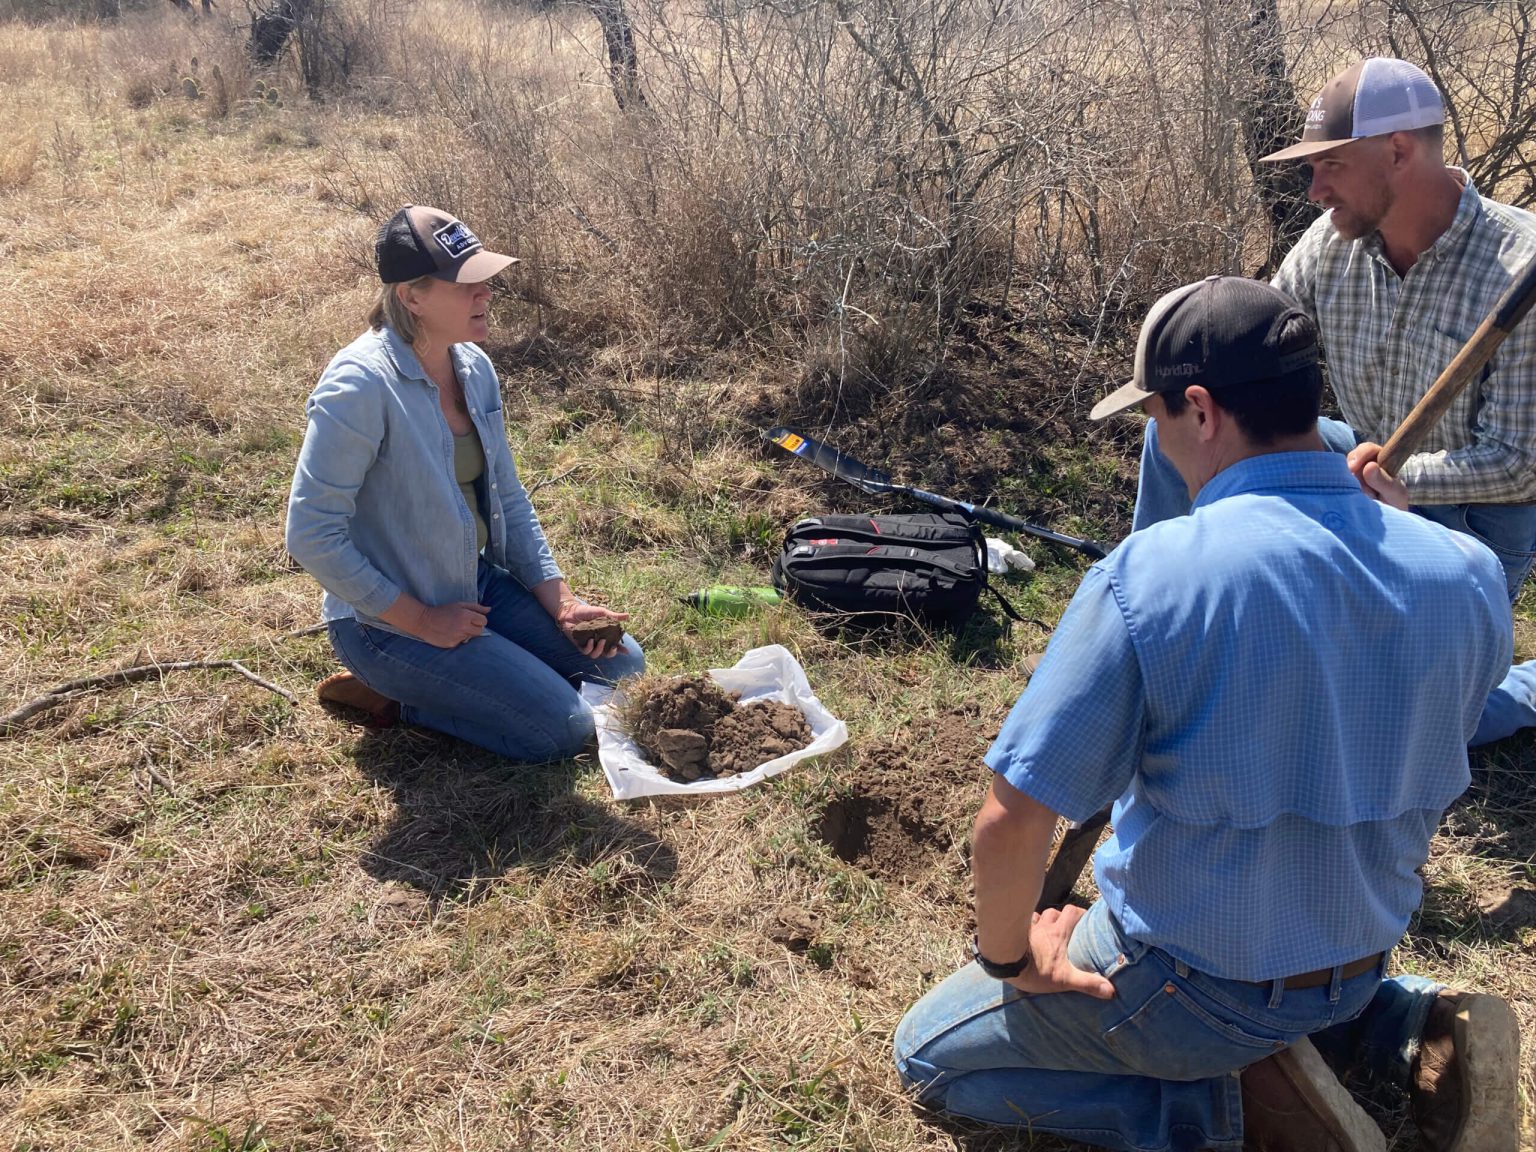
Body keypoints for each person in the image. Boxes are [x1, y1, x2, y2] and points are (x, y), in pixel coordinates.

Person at [892, 277, 1520, 1152]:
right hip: (1358, 952)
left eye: (1153, 416)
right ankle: (1396, 1024)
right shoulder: (1467, 572)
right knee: (1310, 962)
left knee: (927, 1055)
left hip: (1189, 986)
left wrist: (1014, 958)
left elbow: (1010, 820)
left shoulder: (1151, 576)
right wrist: (1411, 536)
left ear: (1200, 409)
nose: (1157, 438)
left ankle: (1229, 1112)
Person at [1133, 57, 1536, 746]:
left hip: (1467, 526)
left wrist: (1397, 479)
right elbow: (1254, 349)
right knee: (1183, 424)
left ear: (1399, 151)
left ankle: (1507, 685)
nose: (1314, 188)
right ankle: (1155, 626)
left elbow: (1521, 464)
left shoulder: (1518, 271)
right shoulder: (1330, 244)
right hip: (1363, 467)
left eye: (1332, 166)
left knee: (1380, 722)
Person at [285, 204, 643, 761]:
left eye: (487, 280)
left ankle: (479, 671)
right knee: (563, 729)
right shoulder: (359, 384)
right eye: (468, 283)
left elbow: (507, 496)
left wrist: (561, 601)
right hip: (385, 623)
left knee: (624, 668)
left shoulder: (472, 366)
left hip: (470, 583)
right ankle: (395, 699)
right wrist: (423, 620)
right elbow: (310, 534)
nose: (486, 294)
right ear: (412, 297)